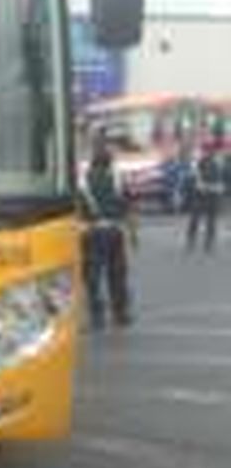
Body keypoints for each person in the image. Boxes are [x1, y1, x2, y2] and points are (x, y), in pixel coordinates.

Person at [80, 137, 134, 330]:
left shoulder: (83, 181)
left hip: (92, 231)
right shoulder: (118, 178)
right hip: (116, 230)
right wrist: (132, 232)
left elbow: (78, 208)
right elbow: (128, 204)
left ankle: (97, 316)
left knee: (93, 276)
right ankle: (121, 313)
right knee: (117, 273)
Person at [186, 140, 224, 254]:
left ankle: (209, 242)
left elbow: (221, 179)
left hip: (213, 193)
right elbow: (194, 175)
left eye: (209, 150)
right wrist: (198, 181)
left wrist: (218, 187)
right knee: (195, 216)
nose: (206, 152)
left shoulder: (217, 162)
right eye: (205, 150)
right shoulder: (198, 161)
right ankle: (191, 238)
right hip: (200, 194)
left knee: (211, 219)